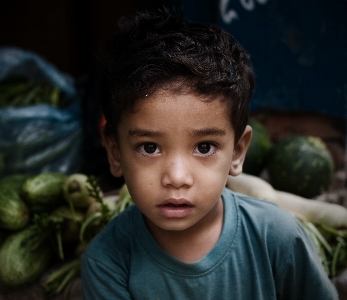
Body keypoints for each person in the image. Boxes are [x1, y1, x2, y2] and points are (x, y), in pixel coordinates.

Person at [80, 8, 338, 299]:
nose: (177, 178)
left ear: (238, 152)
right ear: (115, 153)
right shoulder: (108, 263)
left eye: (204, 147)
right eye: (149, 148)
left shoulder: (277, 236)